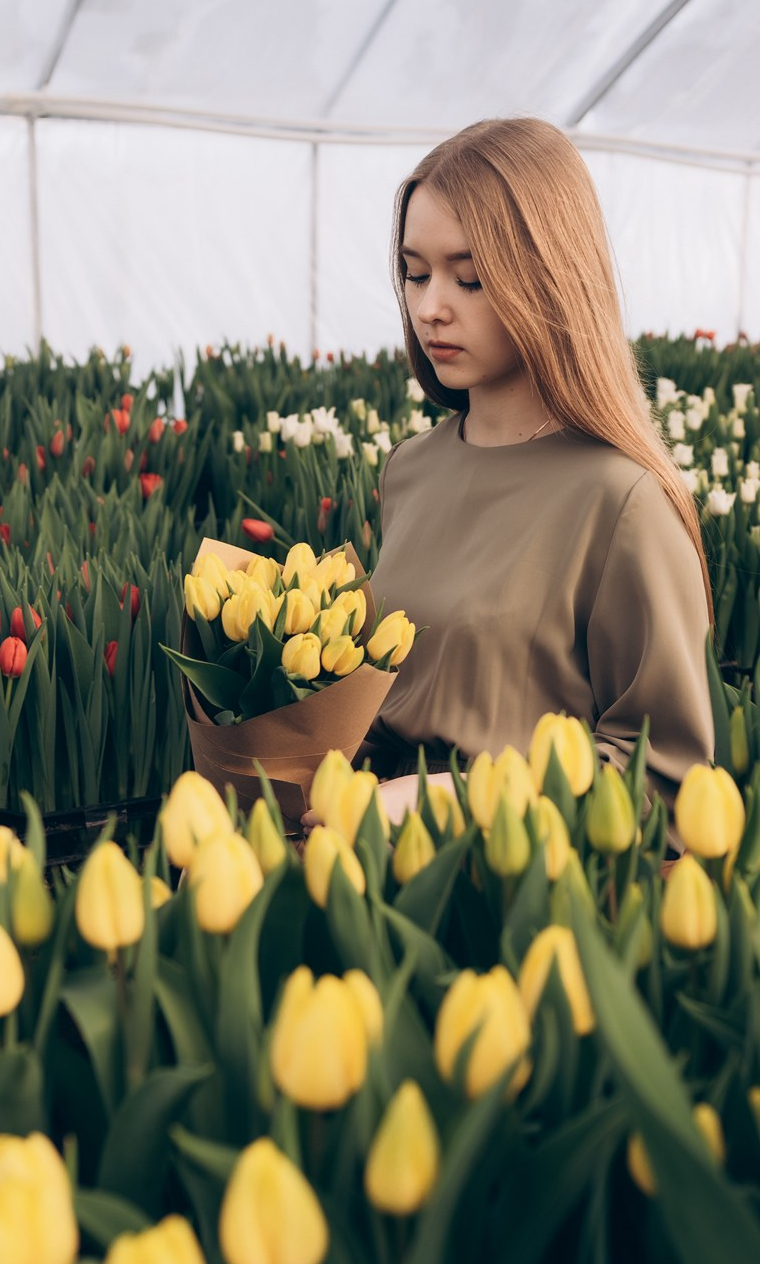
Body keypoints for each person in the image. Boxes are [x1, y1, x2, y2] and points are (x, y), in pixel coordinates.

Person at [307, 116, 716, 845]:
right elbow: (401, 698)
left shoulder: (620, 501)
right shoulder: (410, 469)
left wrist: (447, 802)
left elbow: (661, 779)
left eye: (469, 278)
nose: (431, 305)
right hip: (368, 864)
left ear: (551, 279)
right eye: (414, 271)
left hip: (512, 892)